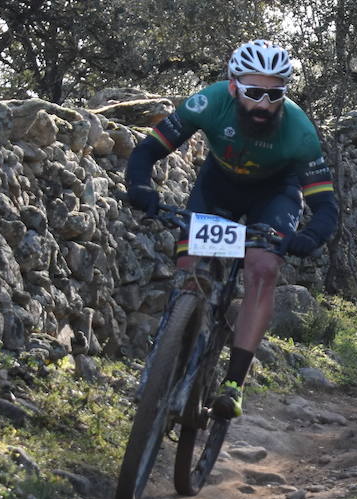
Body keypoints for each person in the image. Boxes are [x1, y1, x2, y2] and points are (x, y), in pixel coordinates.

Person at [124, 38, 337, 420]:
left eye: (275, 94)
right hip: (218, 188)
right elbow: (147, 150)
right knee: (190, 263)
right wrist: (140, 187)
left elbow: (325, 204)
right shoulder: (209, 102)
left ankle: (233, 384)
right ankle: (174, 344)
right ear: (234, 85)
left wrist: (310, 236)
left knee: (262, 267)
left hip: (274, 195)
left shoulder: (300, 131)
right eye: (254, 92)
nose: (264, 104)